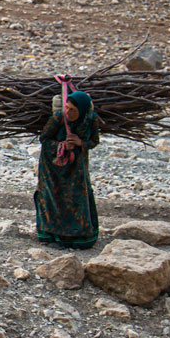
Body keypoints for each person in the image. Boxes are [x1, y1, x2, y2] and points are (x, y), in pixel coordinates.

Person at [34, 90, 100, 249]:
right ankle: (51, 234)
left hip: (77, 168)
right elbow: (44, 138)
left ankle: (78, 237)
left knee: (78, 197)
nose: (68, 112)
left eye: (73, 110)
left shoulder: (90, 119)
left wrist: (80, 143)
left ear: (83, 111)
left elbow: (94, 141)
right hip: (53, 167)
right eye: (67, 108)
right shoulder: (58, 118)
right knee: (53, 196)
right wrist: (61, 145)